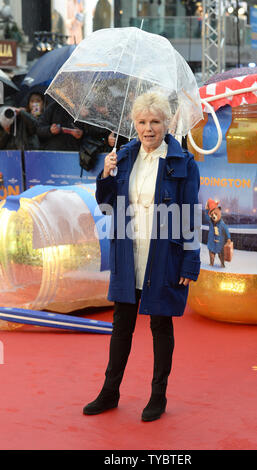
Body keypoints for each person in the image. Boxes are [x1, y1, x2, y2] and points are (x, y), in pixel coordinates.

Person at [83, 92, 201, 421]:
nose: (148, 129)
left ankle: (158, 396)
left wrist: (191, 262)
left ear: (167, 124)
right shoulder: (123, 155)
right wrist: (106, 175)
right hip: (128, 253)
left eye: (155, 122)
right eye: (142, 122)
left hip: (163, 255)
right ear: (134, 124)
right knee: (121, 326)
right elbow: (107, 205)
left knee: (161, 326)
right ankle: (109, 392)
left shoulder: (183, 163)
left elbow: (191, 214)